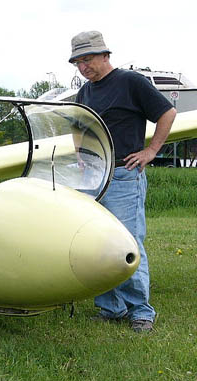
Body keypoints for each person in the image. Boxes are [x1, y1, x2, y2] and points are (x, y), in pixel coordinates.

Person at [69, 31, 176, 332]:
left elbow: (167, 112)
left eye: (87, 59)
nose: (83, 66)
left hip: (123, 174)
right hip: (93, 175)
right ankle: (110, 307)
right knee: (96, 240)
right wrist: (80, 154)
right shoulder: (85, 93)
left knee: (127, 242)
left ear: (105, 55)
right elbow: (79, 125)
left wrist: (151, 150)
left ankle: (141, 311)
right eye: (78, 62)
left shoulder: (131, 82)